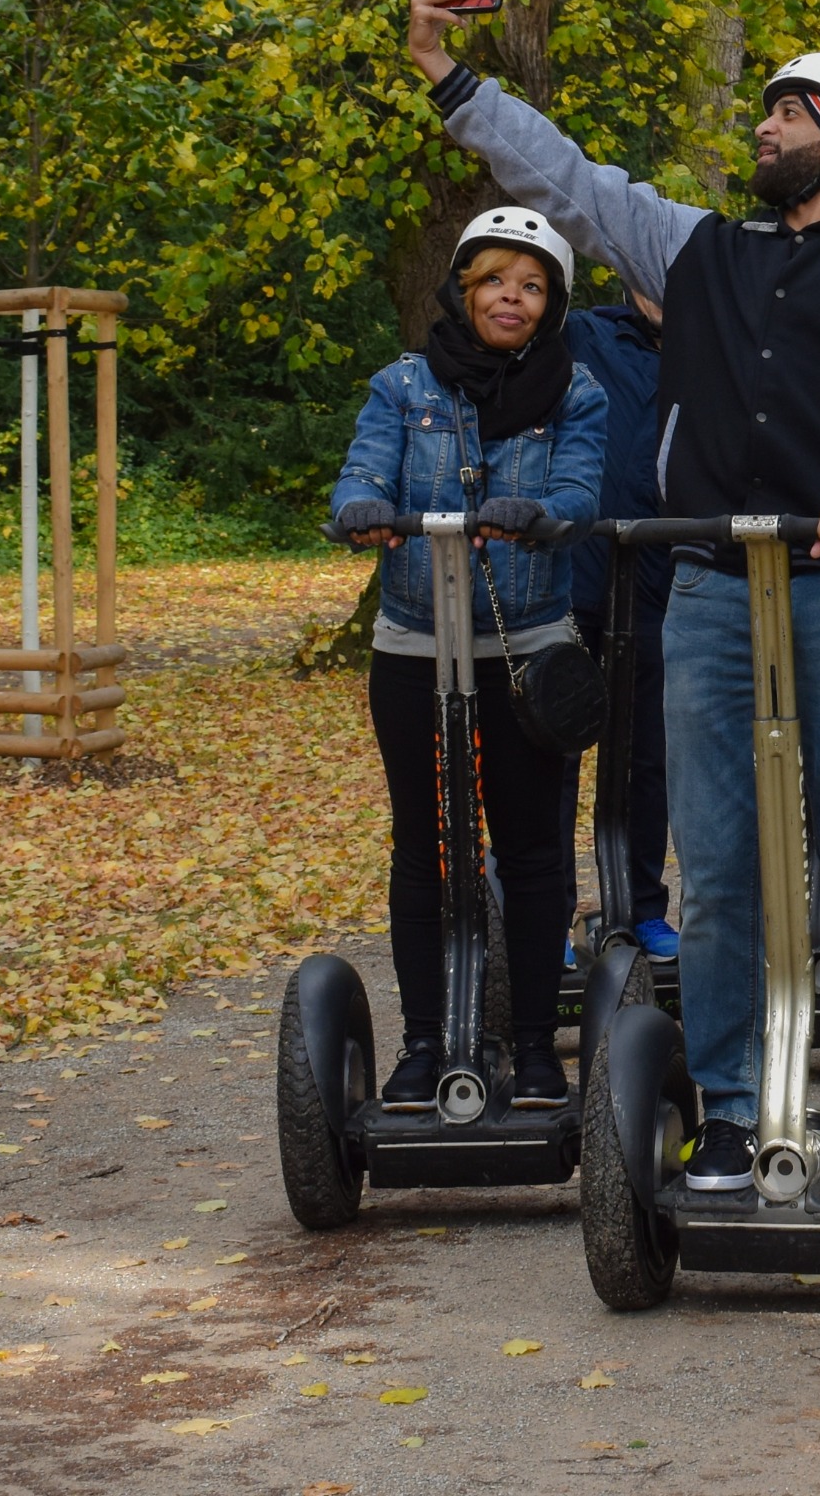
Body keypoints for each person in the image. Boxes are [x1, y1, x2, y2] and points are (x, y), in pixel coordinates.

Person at [404, 0, 820, 1197]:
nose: (766, 126)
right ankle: (730, 1109)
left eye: (789, 111)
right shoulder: (703, 252)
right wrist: (449, 79)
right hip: (716, 589)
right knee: (721, 867)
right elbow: (571, 181)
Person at [324, 206, 609, 1108]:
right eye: (493, 282)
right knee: (424, 846)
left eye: (530, 287)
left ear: (550, 304)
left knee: (529, 851)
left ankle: (532, 1047)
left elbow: (577, 485)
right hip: (414, 641)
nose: (510, 299)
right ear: (463, 289)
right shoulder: (403, 387)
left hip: (524, 649)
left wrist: (543, 512)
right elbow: (365, 469)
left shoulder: (577, 394)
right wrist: (362, 505)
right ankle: (420, 1045)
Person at [556, 284, 677, 961]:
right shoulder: (584, 336)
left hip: (659, 583)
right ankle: (548, 918)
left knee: (646, 757)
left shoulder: (714, 353)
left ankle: (641, 910)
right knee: (555, 753)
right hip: (570, 576)